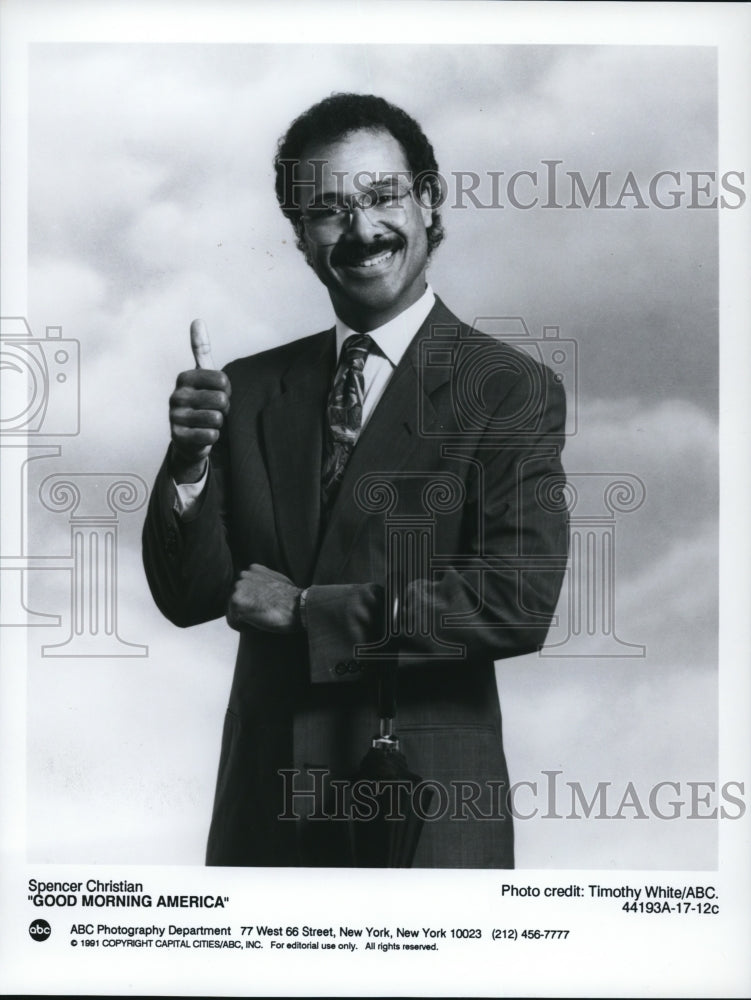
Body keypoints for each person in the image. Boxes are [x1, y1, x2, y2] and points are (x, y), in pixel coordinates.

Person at [142, 93, 568, 868]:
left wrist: (309, 611)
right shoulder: (248, 387)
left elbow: (516, 602)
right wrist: (189, 463)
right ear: (300, 237)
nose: (362, 230)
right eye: (329, 210)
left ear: (429, 200)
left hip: (425, 813)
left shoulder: (507, 387)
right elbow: (190, 598)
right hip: (264, 814)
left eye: (380, 197)